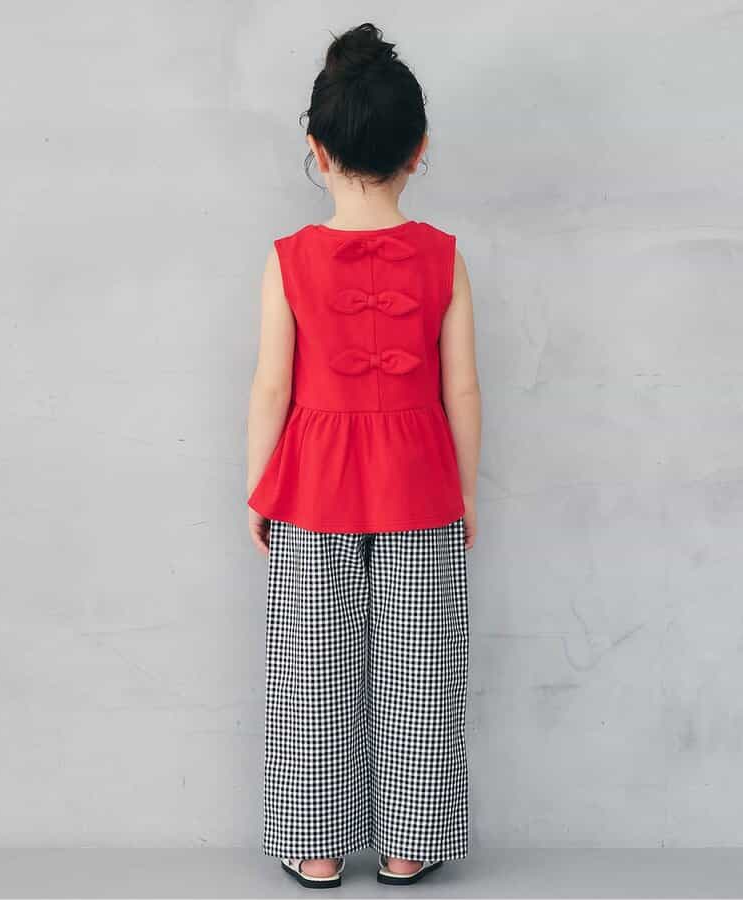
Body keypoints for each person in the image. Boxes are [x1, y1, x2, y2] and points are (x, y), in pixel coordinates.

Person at [246, 22, 481, 889]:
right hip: (419, 484)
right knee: (424, 668)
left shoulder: (288, 260)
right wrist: (464, 493)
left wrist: (257, 489)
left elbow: (271, 387)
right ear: (419, 149)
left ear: (316, 148)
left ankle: (314, 847)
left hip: (312, 487)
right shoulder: (445, 258)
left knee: (311, 669)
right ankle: (410, 844)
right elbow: (463, 389)